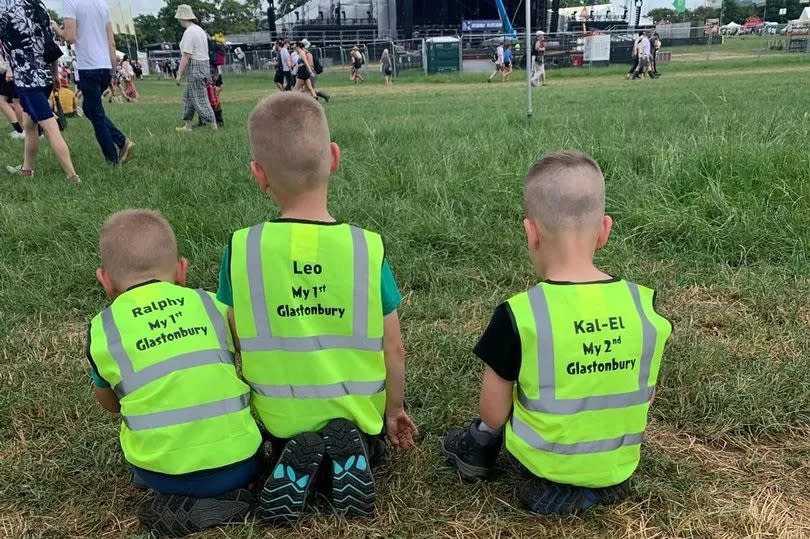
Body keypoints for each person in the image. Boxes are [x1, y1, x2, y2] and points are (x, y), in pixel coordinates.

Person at [217, 92, 418, 523]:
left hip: (278, 420)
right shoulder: (366, 249)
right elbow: (393, 347)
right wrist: (395, 410)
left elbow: (231, 339)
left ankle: (289, 460)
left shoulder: (243, 250)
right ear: (333, 157)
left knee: (277, 444)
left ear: (259, 175)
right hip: (358, 415)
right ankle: (355, 453)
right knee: (369, 442)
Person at [442, 151, 672, 515]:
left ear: (530, 233)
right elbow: (646, 395)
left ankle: (545, 481)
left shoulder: (520, 314)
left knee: (487, 430)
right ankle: (604, 485)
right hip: (619, 463)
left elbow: (494, 412)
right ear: (605, 231)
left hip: (547, 462)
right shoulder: (643, 305)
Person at [86, 209, 262, 537]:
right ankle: (233, 493)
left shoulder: (103, 329)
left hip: (158, 473)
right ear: (182, 270)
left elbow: (110, 403)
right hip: (242, 462)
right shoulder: (213, 306)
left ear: (105, 281)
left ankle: (186, 502)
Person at [0, 0, 79, 182]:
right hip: (44, 76)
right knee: (29, 126)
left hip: (27, 80)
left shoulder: (5, 6)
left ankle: (72, 176)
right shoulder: (38, 4)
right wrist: (54, 75)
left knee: (50, 128)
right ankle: (27, 170)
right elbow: (50, 45)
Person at [54, 0, 134, 165]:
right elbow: (111, 42)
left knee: (96, 114)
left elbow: (70, 37)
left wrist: (56, 28)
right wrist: (112, 69)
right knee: (90, 110)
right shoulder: (101, 4)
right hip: (104, 66)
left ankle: (114, 157)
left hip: (88, 66)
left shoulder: (70, 3)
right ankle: (121, 141)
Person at [174, 4, 216, 132]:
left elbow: (186, 54)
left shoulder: (190, 32)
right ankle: (188, 126)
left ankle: (213, 123)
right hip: (203, 65)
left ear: (182, 18)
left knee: (199, 98)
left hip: (196, 66)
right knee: (188, 97)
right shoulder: (199, 30)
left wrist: (179, 73)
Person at [0, 40, 24, 139]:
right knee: (14, 100)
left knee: (16, 101)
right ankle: (22, 129)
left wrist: (9, 69)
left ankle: (22, 130)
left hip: (8, 68)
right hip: (12, 67)